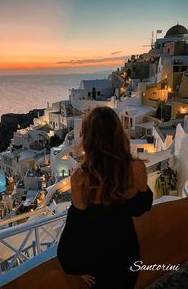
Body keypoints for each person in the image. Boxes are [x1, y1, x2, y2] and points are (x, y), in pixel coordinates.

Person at [57, 106, 153, 288]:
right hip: (126, 255)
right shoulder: (136, 168)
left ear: (87, 137)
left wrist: (75, 267)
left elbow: (75, 228)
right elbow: (142, 208)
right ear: (118, 133)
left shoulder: (80, 178)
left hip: (95, 262)